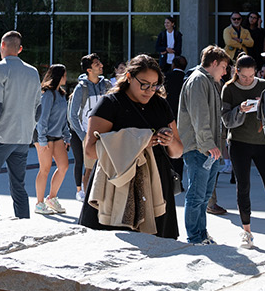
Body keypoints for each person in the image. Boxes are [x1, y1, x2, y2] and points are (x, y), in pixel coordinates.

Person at [79, 54, 182, 238]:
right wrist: (137, 142)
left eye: (154, 85)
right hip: (117, 184)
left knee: (160, 248)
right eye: (144, 84)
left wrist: (170, 141)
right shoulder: (109, 104)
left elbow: (177, 151)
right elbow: (90, 149)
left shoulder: (160, 104)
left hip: (157, 182)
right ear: (128, 77)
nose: (149, 90)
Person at [220, 54, 265, 249]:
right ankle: (246, 231)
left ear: (256, 72)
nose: (248, 80)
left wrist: (261, 106)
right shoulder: (229, 88)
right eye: (244, 76)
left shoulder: (264, 85)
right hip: (239, 142)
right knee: (243, 187)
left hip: (264, 142)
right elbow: (226, 120)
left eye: (251, 76)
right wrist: (240, 109)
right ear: (236, 72)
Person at [0, 31, 41, 218]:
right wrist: (30, 132)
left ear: (2, 45)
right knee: (18, 186)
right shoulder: (33, 71)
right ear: (20, 49)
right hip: (22, 138)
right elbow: (38, 108)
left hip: (0, 136)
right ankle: (23, 224)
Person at [177, 46, 231, 244]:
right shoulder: (199, 81)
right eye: (224, 67)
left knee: (204, 195)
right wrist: (209, 144)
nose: (225, 72)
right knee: (197, 195)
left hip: (209, 149)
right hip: (200, 149)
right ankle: (195, 237)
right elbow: (200, 117)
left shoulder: (209, 81)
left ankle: (200, 234)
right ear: (214, 63)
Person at [67, 54, 110, 201]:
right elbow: (72, 115)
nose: (101, 65)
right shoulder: (81, 88)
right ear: (89, 69)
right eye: (97, 64)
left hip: (107, 135)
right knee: (89, 169)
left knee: (107, 167)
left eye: (100, 63)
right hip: (89, 134)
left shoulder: (107, 85)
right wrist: (83, 135)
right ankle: (87, 199)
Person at [33, 64, 71, 214]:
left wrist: (66, 136)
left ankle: (52, 198)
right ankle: (39, 203)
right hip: (44, 136)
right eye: (65, 75)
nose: (66, 78)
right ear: (59, 76)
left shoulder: (61, 94)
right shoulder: (47, 94)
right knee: (45, 168)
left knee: (64, 166)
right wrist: (42, 140)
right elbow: (42, 119)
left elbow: (63, 119)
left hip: (56, 135)